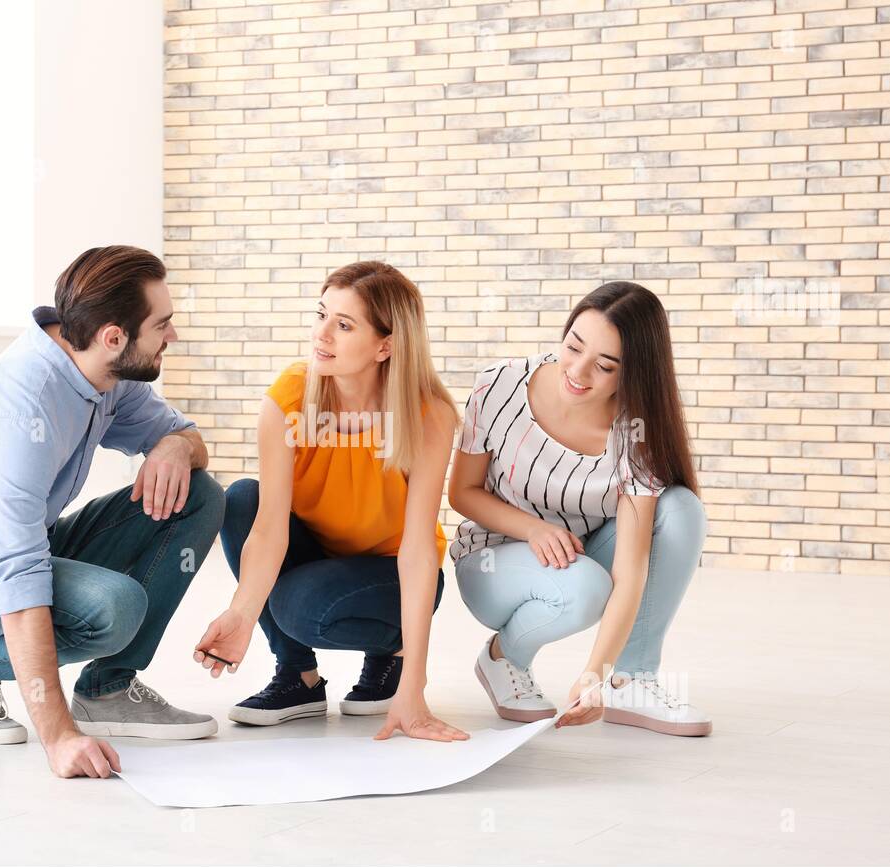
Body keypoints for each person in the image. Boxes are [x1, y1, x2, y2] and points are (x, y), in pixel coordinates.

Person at [0, 245, 225, 779]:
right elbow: (18, 578)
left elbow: (183, 434)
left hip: (33, 543)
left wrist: (176, 446)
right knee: (113, 608)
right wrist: (59, 738)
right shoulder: (17, 415)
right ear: (114, 337)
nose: (173, 336)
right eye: (163, 325)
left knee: (201, 494)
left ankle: (108, 689)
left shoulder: (102, 369)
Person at [193, 261, 469, 743]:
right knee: (241, 499)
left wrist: (414, 687)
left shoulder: (429, 414)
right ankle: (297, 678)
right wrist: (240, 613)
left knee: (301, 607)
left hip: (390, 575)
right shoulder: (290, 397)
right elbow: (268, 526)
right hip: (320, 555)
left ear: (386, 346)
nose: (322, 334)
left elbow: (419, 548)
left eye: (344, 325)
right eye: (321, 315)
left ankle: (393, 655)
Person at [448, 281, 713, 736]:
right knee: (585, 586)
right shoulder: (500, 386)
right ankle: (503, 658)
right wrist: (532, 529)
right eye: (573, 346)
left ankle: (631, 679)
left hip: (580, 556)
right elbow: (462, 492)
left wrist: (597, 674)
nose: (578, 371)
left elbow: (631, 571)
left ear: (633, 374)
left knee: (681, 509)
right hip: (491, 561)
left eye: (605, 366)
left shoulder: (636, 431)